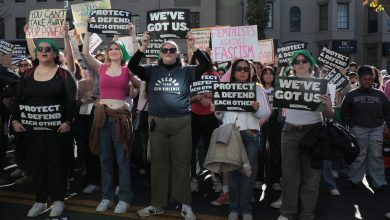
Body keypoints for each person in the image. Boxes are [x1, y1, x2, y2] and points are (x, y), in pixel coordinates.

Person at [128, 29, 211, 220]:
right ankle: (157, 204)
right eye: (164, 50)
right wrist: (143, 46)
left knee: (182, 165)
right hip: (157, 122)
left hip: (181, 122)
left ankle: (185, 205)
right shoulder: (151, 70)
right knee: (158, 165)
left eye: (171, 50)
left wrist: (193, 45)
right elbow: (133, 65)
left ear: (177, 54)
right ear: (160, 53)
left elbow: (205, 64)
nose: (167, 53)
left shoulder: (187, 70)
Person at [11, 39, 76, 217]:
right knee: (37, 164)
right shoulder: (27, 75)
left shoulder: (63, 74)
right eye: (40, 49)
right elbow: (18, 99)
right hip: (32, 130)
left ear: (55, 54)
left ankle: (58, 200)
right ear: (36, 53)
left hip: (58, 130)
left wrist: (68, 122)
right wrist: (15, 120)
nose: (44, 51)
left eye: (48, 49)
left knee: (57, 165)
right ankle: (39, 200)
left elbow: (71, 101)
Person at [82, 23, 138, 214]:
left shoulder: (127, 70)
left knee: (122, 160)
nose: (113, 50)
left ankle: (124, 197)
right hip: (103, 119)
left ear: (122, 53)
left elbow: (139, 71)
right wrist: (88, 32)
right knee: (105, 159)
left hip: (120, 119)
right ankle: (106, 197)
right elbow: (86, 55)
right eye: (110, 48)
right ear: (107, 53)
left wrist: (133, 35)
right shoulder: (102, 67)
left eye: (117, 48)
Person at [277, 49, 334, 220]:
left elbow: (330, 115)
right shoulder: (285, 83)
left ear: (310, 63)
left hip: (313, 133)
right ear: (292, 65)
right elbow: (280, 110)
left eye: (304, 61)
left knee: (312, 177)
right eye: (296, 61)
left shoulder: (321, 84)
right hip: (290, 132)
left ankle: (307, 214)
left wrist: (327, 105)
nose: (300, 64)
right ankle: (287, 212)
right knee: (289, 175)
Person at [212, 59, 270, 220]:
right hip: (230, 134)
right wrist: (216, 109)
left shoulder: (258, 89)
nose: (243, 72)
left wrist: (256, 110)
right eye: (238, 69)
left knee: (246, 173)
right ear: (233, 71)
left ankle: (246, 209)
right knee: (231, 173)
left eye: (246, 69)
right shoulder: (225, 89)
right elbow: (220, 115)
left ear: (251, 72)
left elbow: (265, 113)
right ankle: (233, 208)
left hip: (250, 135)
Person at [341, 65, 390, 192]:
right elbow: (344, 113)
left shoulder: (380, 94)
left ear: (373, 79)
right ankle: (354, 180)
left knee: (376, 156)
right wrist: (352, 124)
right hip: (358, 129)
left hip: (376, 129)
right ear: (359, 79)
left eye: (370, 79)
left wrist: (387, 126)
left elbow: (388, 111)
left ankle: (379, 182)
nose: (367, 82)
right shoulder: (351, 95)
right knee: (359, 155)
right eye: (365, 79)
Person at [189, 52, 219, 193]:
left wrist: (211, 97)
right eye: (197, 60)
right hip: (194, 115)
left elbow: (221, 94)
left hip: (210, 115)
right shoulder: (191, 73)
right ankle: (193, 178)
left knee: (211, 147)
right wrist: (195, 98)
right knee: (192, 147)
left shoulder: (215, 74)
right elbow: (184, 95)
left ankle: (215, 177)